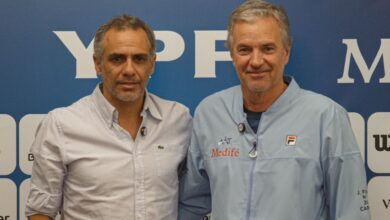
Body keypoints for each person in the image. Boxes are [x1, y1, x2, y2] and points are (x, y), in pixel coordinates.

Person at [178, 1, 371, 220]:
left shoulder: (326, 117)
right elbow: (191, 205)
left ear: (286, 52)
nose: (256, 61)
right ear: (232, 55)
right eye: (244, 50)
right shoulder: (210, 113)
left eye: (268, 48)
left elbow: (352, 212)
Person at [26, 15, 192, 220]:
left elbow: (192, 199)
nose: (129, 70)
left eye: (139, 59)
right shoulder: (61, 125)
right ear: (97, 64)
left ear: (152, 64)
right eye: (117, 59)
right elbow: (41, 211)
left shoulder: (178, 119)